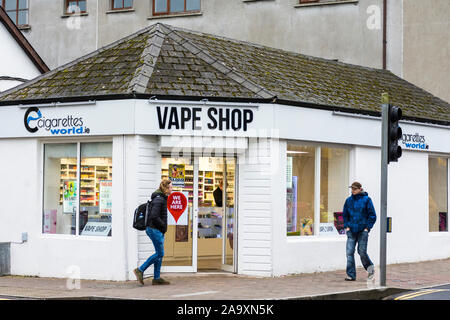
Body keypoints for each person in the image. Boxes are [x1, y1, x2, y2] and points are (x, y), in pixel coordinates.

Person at [133, 179, 172, 285]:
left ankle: (156, 278)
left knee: (159, 254)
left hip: (156, 229)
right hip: (155, 229)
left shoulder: (161, 198)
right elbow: (154, 216)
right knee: (160, 253)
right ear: (166, 188)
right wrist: (162, 226)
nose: (172, 189)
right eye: (171, 187)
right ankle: (140, 270)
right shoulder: (159, 199)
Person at [343, 182, 377, 281]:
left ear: (360, 189)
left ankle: (370, 270)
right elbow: (345, 215)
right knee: (349, 253)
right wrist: (347, 227)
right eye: (352, 189)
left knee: (362, 252)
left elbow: (372, 215)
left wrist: (367, 228)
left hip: (363, 231)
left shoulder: (366, 200)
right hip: (351, 231)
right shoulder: (348, 201)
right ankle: (351, 275)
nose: (352, 190)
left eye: (354, 189)